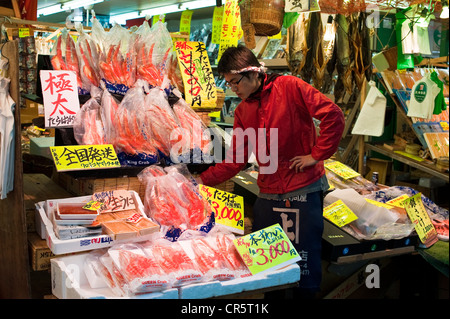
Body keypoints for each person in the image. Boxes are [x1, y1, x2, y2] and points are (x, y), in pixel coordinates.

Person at [196, 45, 345, 298]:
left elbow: (333, 115)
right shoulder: (242, 111)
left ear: (253, 73)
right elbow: (236, 161)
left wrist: (316, 155)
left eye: (235, 82)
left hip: (304, 189)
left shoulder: (290, 86)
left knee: (304, 267)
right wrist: (199, 180)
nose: (233, 88)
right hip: (267, 193)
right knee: (267, 272)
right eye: (228, 83)